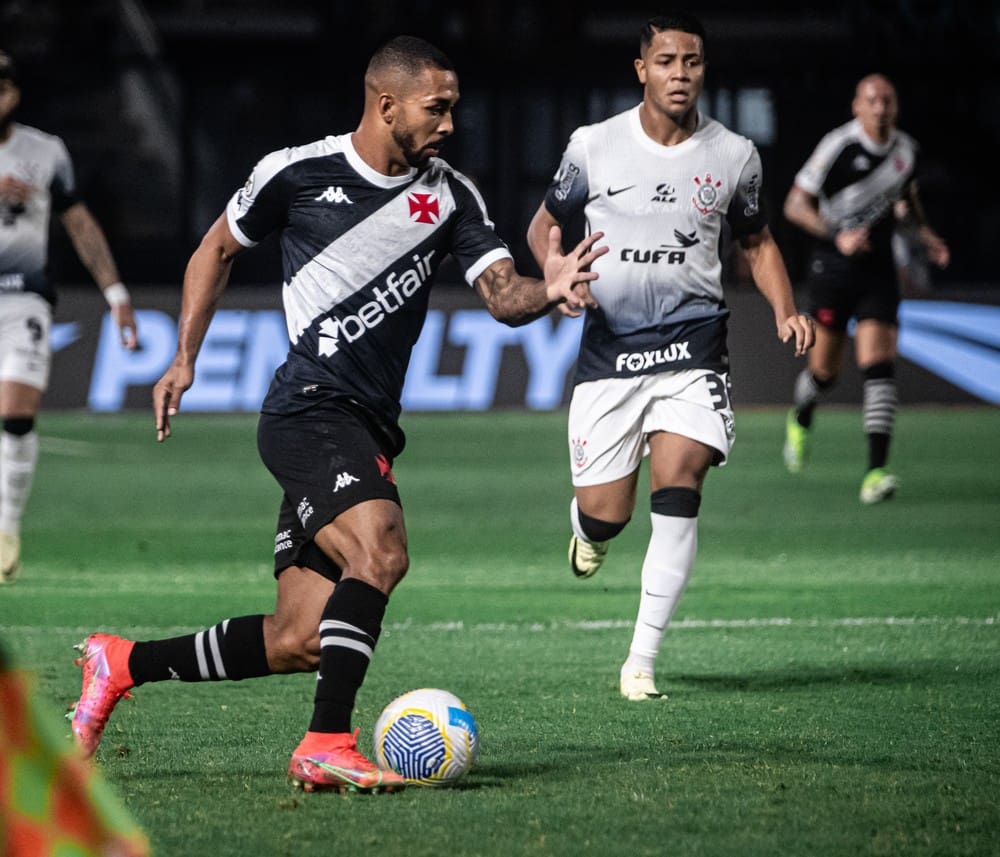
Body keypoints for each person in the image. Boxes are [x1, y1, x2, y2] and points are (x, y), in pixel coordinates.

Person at [70, 35, 606, 793]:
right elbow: (214, 250)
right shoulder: (294, 173)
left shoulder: (451, 195)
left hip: (366, 423)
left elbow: (500, 295)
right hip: (309, 407)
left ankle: (120, 663)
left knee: (301, 638)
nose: (451, 122)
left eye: (454, 107)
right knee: (381, 548)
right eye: (437, 108)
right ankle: (325, 740)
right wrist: (184, 356)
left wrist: (548, 287)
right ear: (387, 105)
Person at [527, 13, 814, 702]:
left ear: (703, 69)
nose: (680, 74)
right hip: (609, 352)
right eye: (666, 61)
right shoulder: (593, 147)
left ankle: (640, 661)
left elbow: (757, 241)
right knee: (606, 513)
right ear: (641, 70)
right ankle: (587, 530)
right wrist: (555, 271)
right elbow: (544, 226)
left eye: (692, 62)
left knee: (680, 484)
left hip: (694, 349)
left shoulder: (734, 155)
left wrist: (784, 307)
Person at [0, 49, 139, 583]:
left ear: (15, 92)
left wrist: (117, 293)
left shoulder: (46, 152)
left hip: (24, 301)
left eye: (4, 85)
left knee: (15, 415)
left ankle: (7, 528)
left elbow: (80, 226)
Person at [781, 73, 949, 503]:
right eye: (871, 100)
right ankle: (801, 416)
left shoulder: (906, 151)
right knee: (825, 373)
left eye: (887, 101)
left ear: (896, 107)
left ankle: (876, 471)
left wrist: (924, 236)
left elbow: (907, 200)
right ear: (857, 106)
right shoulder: (839, 145)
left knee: (878, 364)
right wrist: (836, 234)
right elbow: (795, 205)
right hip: (833, 268)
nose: (880, 108)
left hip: (877, 271)